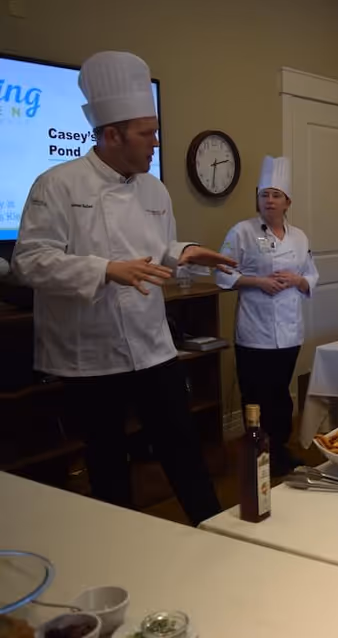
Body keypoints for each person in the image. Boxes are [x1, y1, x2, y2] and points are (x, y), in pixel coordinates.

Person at [12, 51, 235, 526]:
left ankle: (214, 530)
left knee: (181, 443)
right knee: (107, 460)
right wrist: (105, 269)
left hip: (152, 344)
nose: (156, 142)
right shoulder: (56, 185)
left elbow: (156, 248)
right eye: (146, 133)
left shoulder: (155, 190)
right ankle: (124, 545)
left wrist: (185, 251)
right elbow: (29, 262)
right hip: (88, 355)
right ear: (111, 135)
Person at [216, 156, 318, 476]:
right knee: (256, 395)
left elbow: (311, 276)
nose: (269, 201)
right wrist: (258, 281)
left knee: (280, 395)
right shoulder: (241, 232)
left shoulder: (299, 237)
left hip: (289, 331)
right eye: (264, 194)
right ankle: (256, 451)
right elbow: (222, 275)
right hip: (254, 330)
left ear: (288, 202)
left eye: (276, 195)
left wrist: (297, 280)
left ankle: (280, 451)